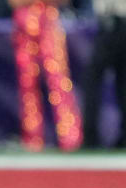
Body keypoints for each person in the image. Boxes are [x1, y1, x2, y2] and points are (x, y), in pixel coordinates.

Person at [10, 0, 83, 151]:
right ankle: (32, 139)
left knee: (58, 81)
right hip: (24, 23)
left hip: (47, 21)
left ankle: (70, 137)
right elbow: (14, 2)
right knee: (27, 84)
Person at [82, 0, 126, 149]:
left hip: (113, 22)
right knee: (122, 83)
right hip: (114, 21)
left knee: (93, 80)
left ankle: (90, 137)